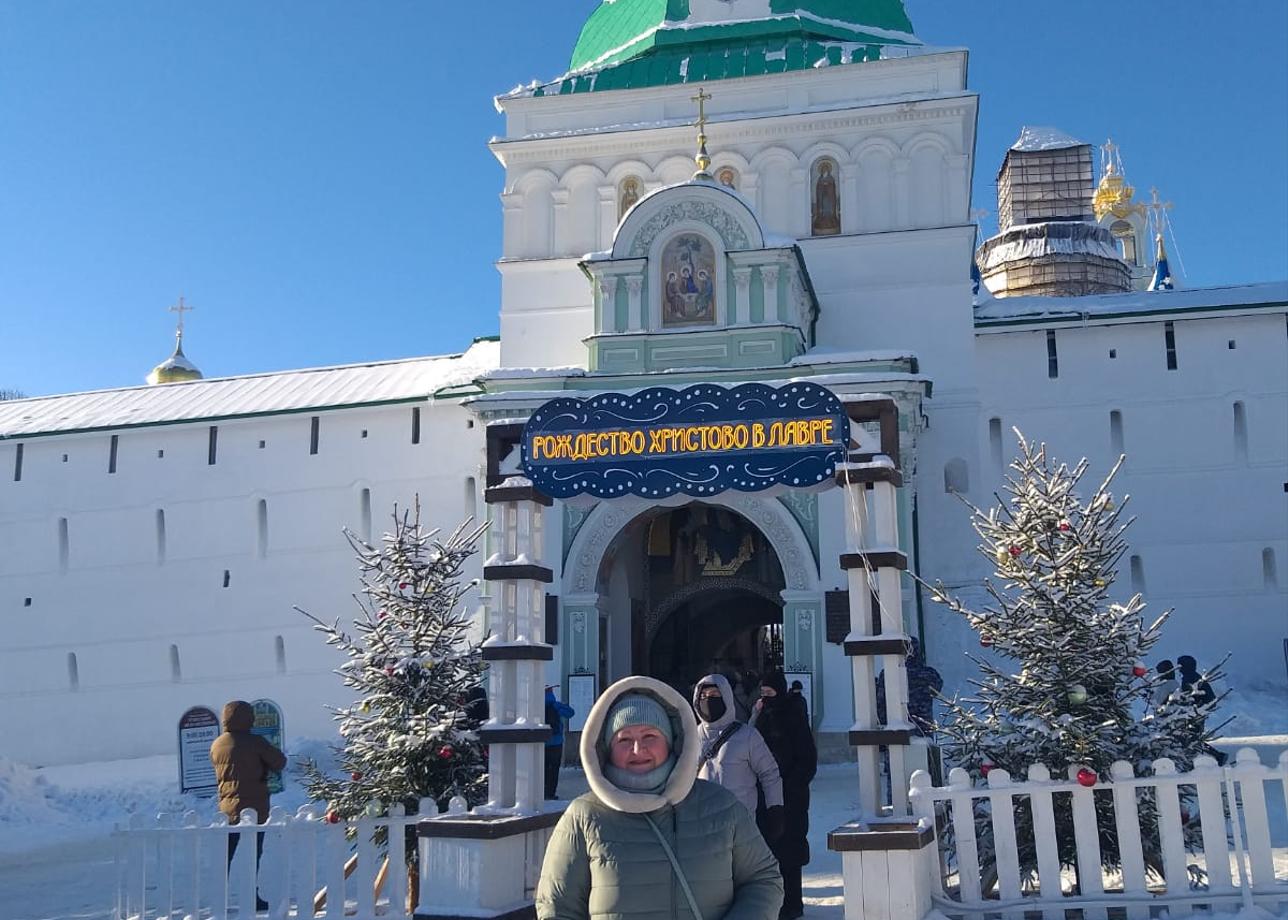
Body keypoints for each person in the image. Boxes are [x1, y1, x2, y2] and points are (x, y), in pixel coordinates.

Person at [536, 676, 783, 918]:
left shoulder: (722, 807)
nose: (637, 749)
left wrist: (775, 807)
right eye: (624, 739)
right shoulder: (583, 818)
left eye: (650, 736)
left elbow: (762, 879)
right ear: (605, 747)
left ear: (671, 742)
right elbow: (557, 908)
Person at [210, 700, 287, 912]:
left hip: (227, 807)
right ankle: (251, 896)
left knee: (227, 854)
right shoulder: (256, 742)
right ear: (248, 718)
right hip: (254, 806)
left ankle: (220, 895)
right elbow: (279, 762)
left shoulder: (217, 744)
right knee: (253, 854)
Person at [753, 672, 818, 920]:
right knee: (769, 852)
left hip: (791, 799)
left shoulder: (793, 716)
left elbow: (807, 759)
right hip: (765, 799)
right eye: (763, 694)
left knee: (790, 853)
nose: (766, 698)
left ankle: (793, 904)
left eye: (771, 694)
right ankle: (774, 903)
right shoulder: (760, 716)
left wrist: (789, 786)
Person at [692, 675, 785, 831]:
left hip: (741, 826)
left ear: (726, 697)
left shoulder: (747, 736)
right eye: (703, 696)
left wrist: (775, 807)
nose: (708, 700)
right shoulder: (690, 738)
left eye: (714, 695)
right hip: (703, 827)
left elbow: (769, 773)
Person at [545, 685, 575, 800]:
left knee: (543, 768)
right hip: (556, 742)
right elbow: (571, 713)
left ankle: (541, 791)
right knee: (554, 769)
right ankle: (551, 793)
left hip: (541, 742)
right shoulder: (556, 705)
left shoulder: (536, 705)